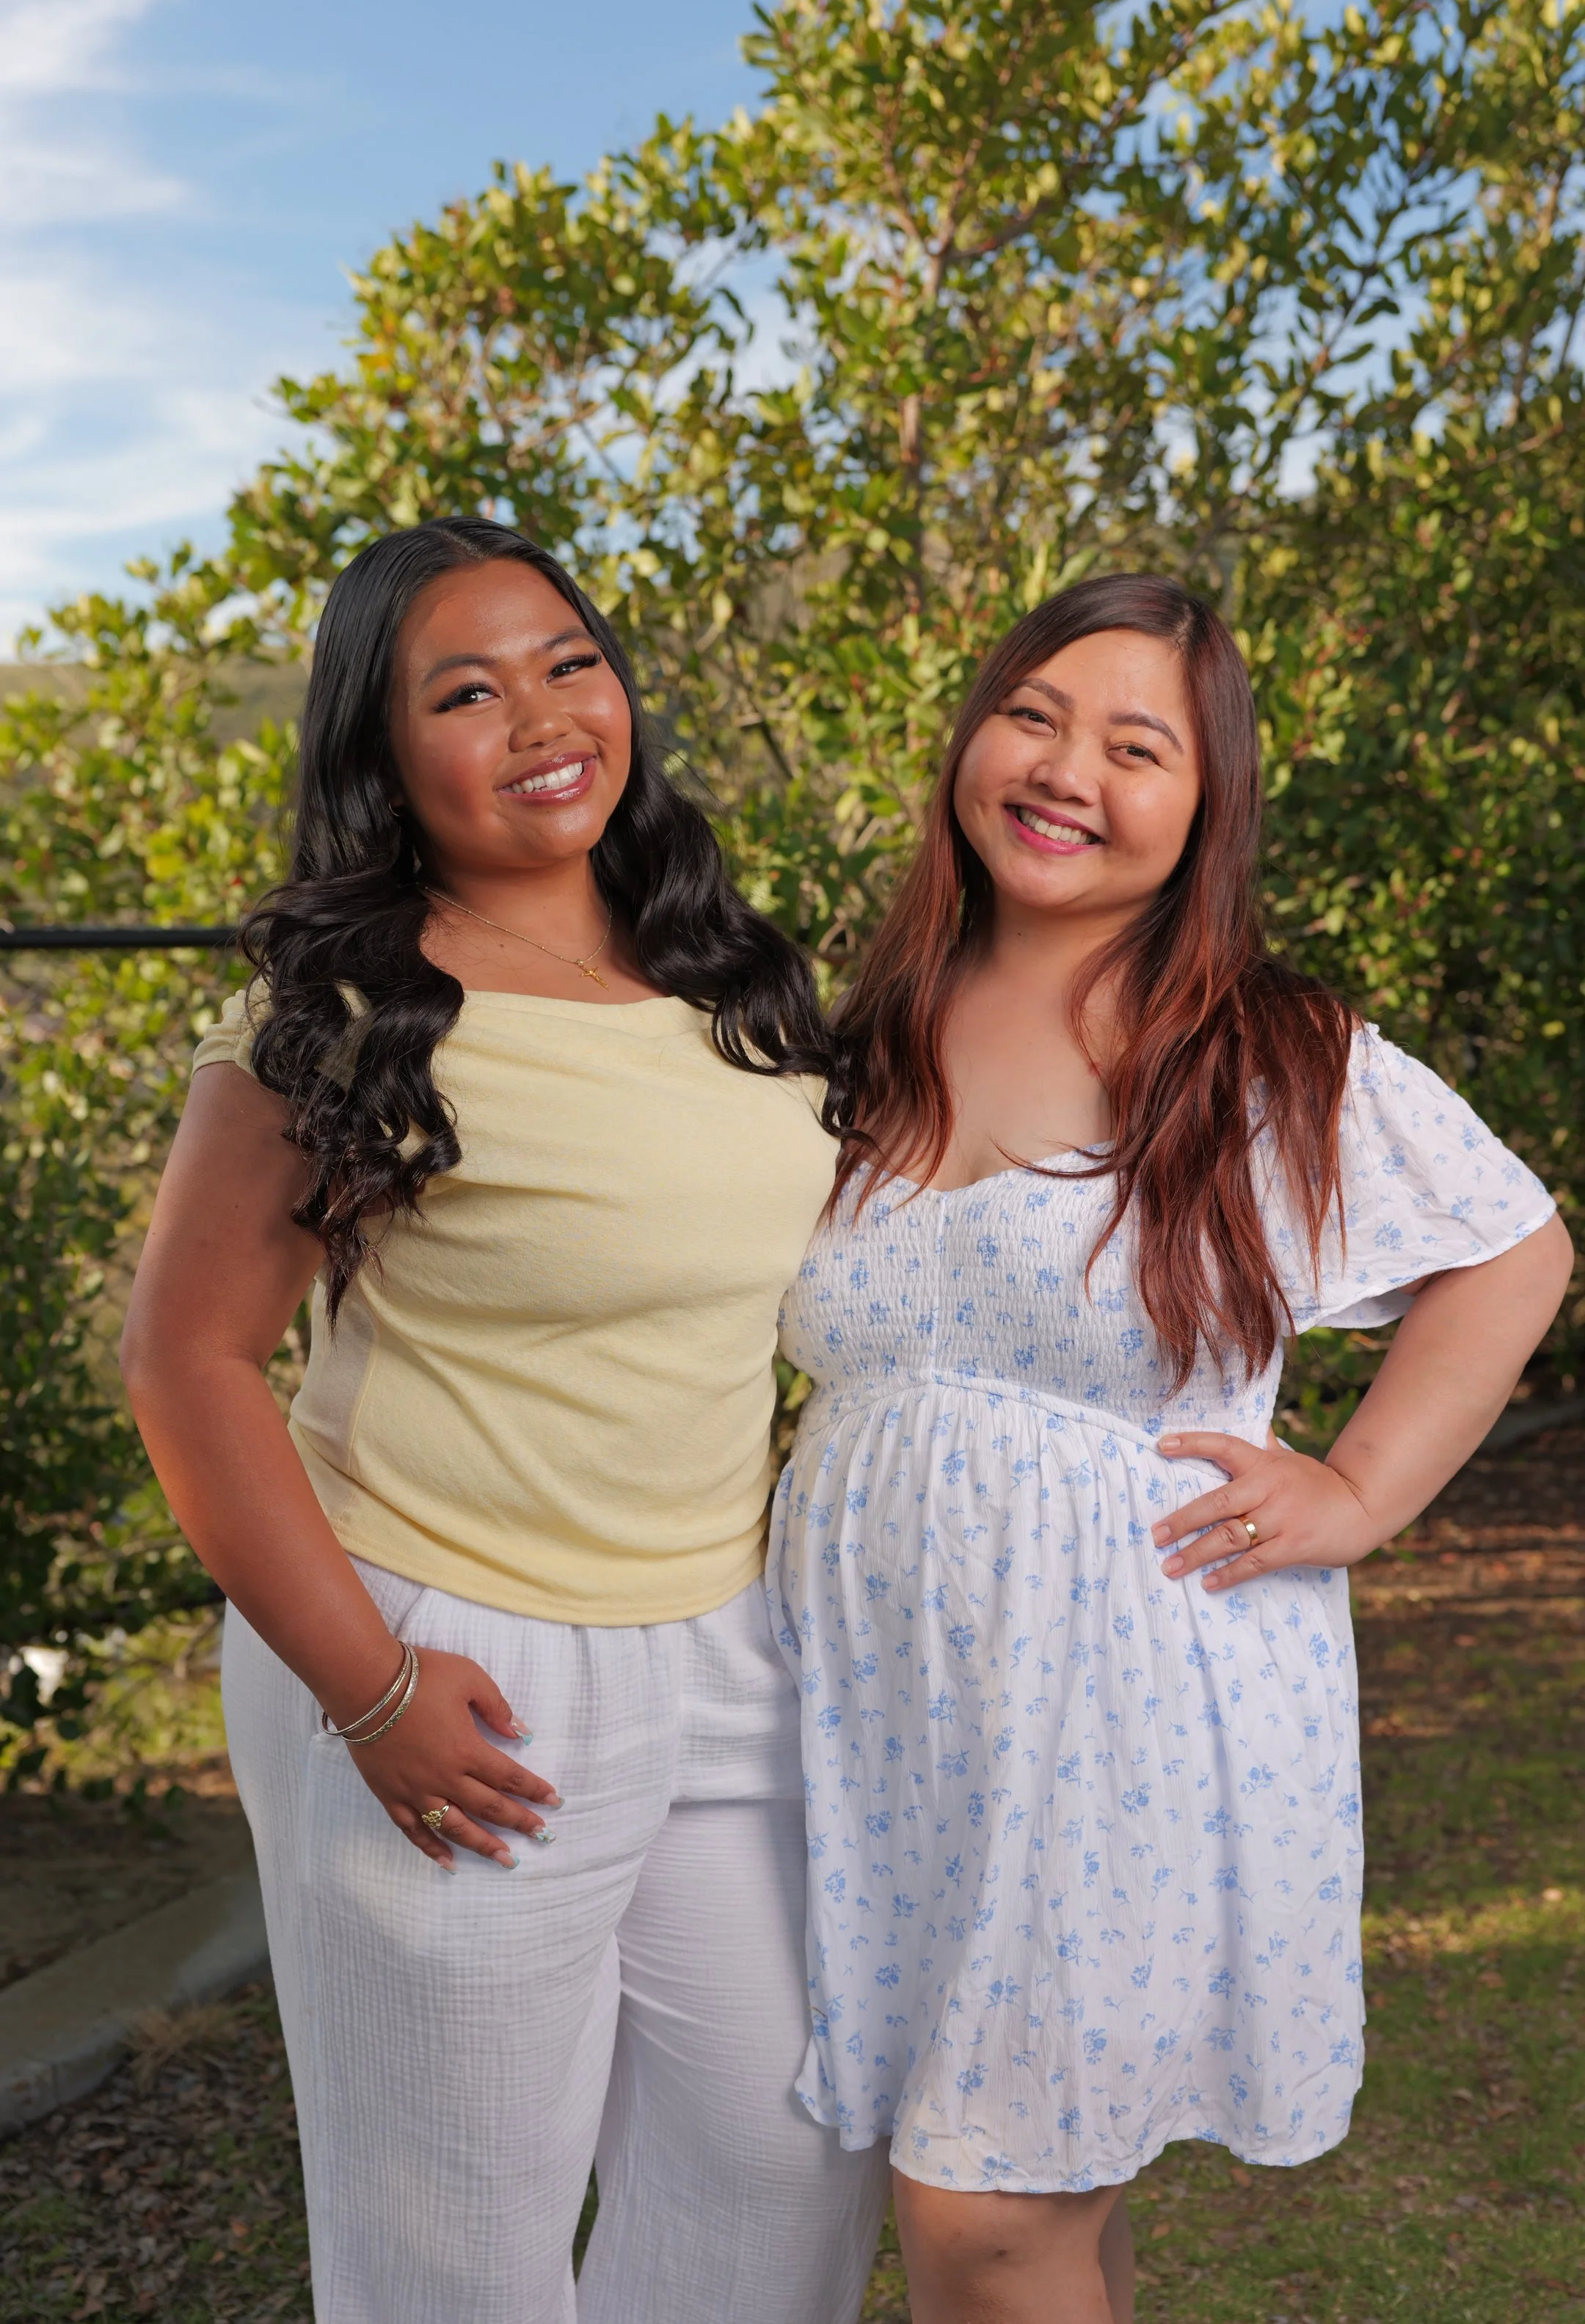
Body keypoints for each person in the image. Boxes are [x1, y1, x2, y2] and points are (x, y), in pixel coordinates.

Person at [767, 573, 1571, 2324]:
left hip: (1117, 1707)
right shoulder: (870, 1026)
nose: (1067, 771)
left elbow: (1515, 1248)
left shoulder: (1262, 1050)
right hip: (889, 1714)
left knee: (983, 2218)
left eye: (1138, 747)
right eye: (1036, 717)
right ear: (972, 737)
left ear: (1205, 811)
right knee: (1043, 2196)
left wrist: (1356, 1492)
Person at [120, 516, 891, 2324]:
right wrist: (371, 1691)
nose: (544, 716)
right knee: (455, 2247)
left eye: (568, 661)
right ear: (385, 760)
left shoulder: (724, 981)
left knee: (781, 2168)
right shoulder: (349, 1016)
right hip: (444, 1648)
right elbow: (188, 1363)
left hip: (723, 1642)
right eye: (465, 691)